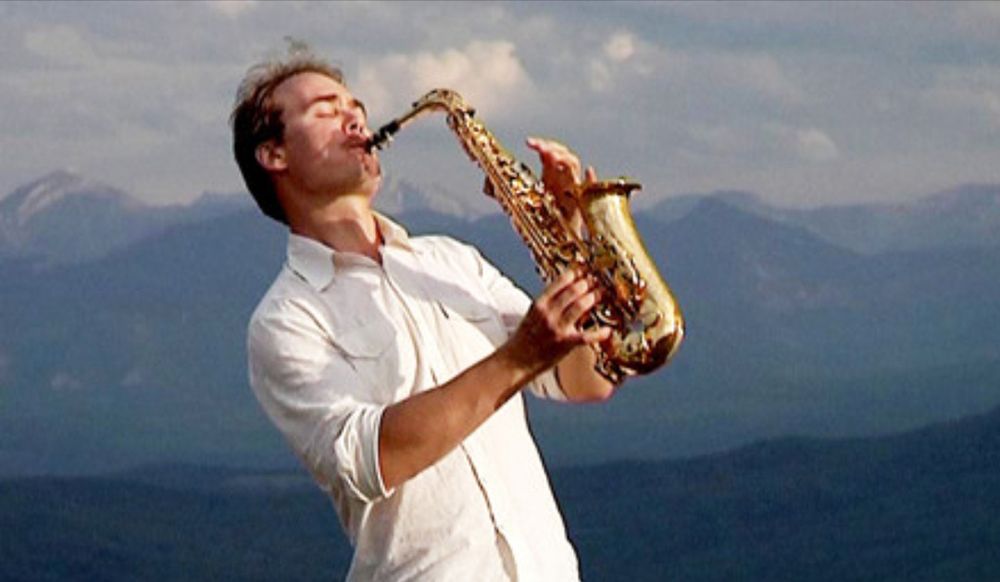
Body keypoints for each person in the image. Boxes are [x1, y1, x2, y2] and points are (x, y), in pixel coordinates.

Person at [231, 46, 619, 581]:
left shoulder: (452, 260)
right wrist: (517, 358)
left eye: (356, 108)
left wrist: (566, 241)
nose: (355, 120)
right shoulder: (286, 321)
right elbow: (373, 460)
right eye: (326, 111)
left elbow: (586, 382)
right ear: (274, 155)